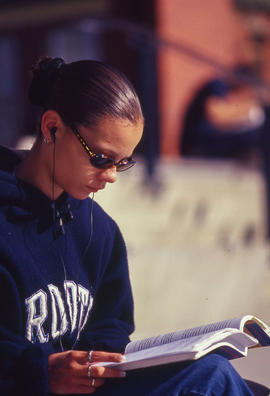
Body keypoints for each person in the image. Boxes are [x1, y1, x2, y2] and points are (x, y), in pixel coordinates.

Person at [0, 56, 253, 395]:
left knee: (218, 374)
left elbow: (111, 331)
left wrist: (100, 362)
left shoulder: (100, 231)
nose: (111, 176)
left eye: (123, 162)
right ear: (51, 127)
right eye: (101, 158)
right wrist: (40, 371)